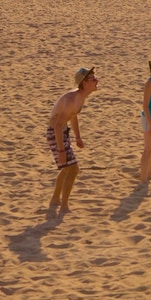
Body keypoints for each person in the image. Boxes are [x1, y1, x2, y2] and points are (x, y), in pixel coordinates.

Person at [47, 67, 98, 214]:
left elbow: (73, 116)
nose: (96, 81)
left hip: (62, 131)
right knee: (73, 168)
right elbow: (56, 125)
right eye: (93, 79)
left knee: (67, 168)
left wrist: (78, 137)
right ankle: (64, 206)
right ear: (84, 83)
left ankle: (55, 199)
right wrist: (61, 149)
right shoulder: (72, 98)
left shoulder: (80, 97)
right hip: (56, 132)